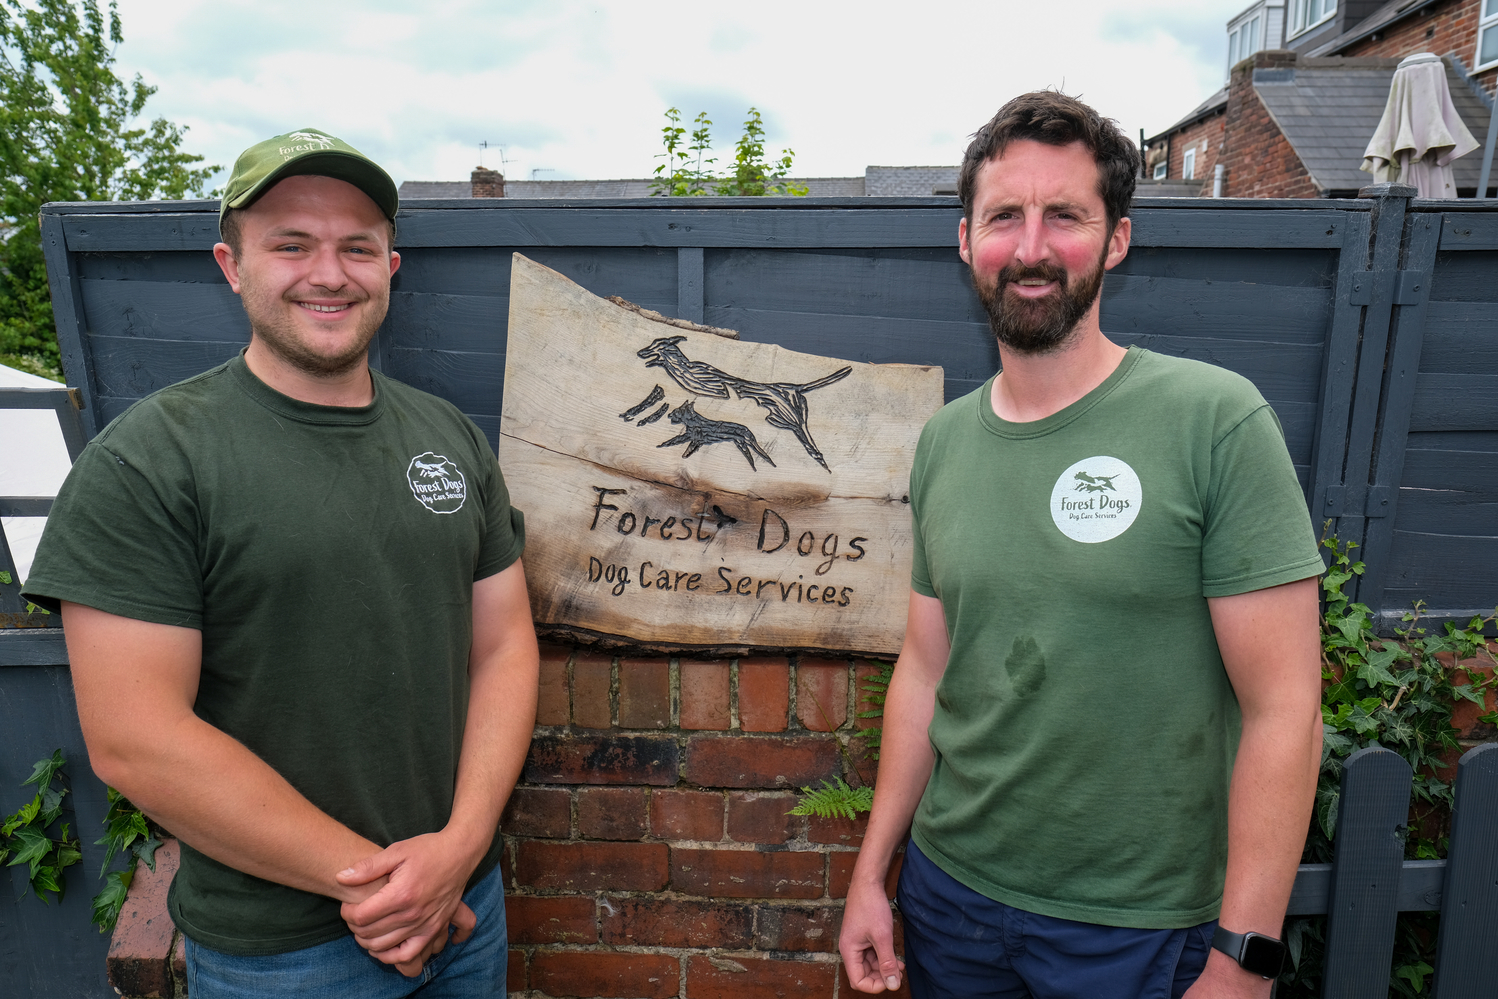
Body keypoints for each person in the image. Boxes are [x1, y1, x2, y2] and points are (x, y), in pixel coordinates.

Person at [24, 128, 539, 997]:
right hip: (285, 954)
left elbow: (503, 647)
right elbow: (135, 739)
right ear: (232, 264)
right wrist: (389, 887)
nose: (329, 273)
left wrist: (456, 852)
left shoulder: (448, 437)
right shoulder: (149, 461)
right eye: (291, 245)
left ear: (391, 265)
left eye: (356, 247)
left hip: (464, 912)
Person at [838, 92, 1325, 999]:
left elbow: (1286, 711)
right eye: (1004, 217)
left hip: (1139, 929)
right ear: (965, 241)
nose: (1030, 248)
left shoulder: (1214, 420)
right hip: (953, 903)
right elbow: (926, 668)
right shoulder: (944, 440)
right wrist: (874, 873)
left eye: (1064, 215)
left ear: (1117, 239)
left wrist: (1244, 959)